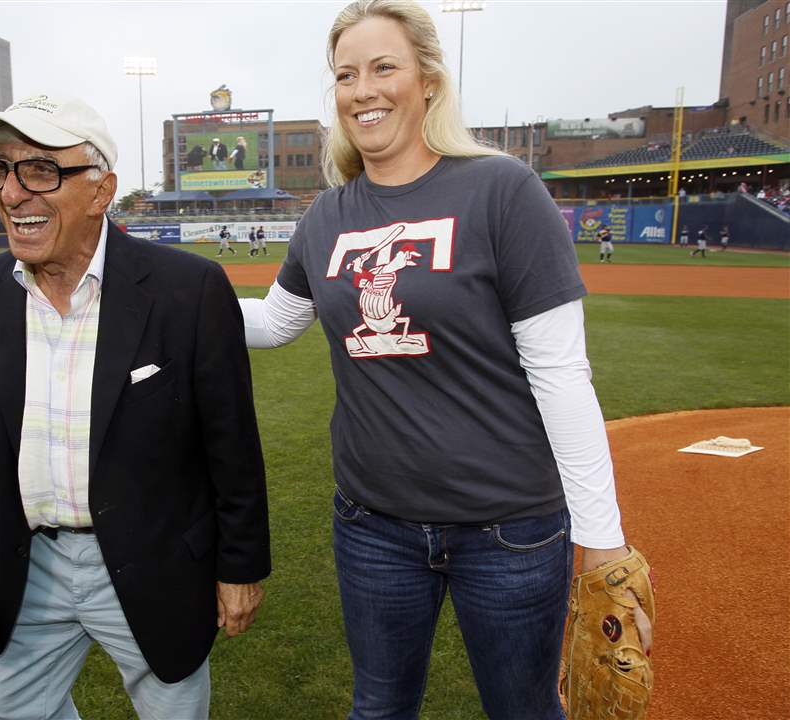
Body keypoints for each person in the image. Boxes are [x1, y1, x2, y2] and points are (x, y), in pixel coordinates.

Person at [237, 2, 652, 718]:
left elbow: (560, 375)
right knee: (378, 708)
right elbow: (277, 322)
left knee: (523, 710)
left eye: (382, 67)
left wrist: (602, 544)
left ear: (427, 79)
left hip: (511, 531)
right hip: (372, 526)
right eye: (344, 75)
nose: (361, 89)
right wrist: (162, 295)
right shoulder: (326, 216)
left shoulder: (502, 190)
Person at [0, 93, 270, 720]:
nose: (12, 193)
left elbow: (231, 446)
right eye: (1, 169)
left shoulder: (188, 289)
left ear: (100, 191)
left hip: (156, 559)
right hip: (28, 565)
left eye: (40, 170)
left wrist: (240, 568)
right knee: (5, 709)